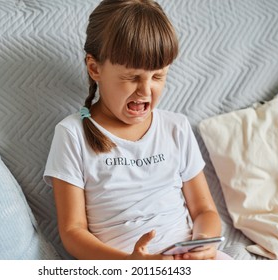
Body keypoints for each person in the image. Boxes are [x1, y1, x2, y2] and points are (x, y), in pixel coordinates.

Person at [44, 0, 232, 260]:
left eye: (157, 77)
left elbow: (204, 211)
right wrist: (129, 265)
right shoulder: (72, 134)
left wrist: (202, 243)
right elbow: (73, 232)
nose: (145, 91)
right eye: (132, 77)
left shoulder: (176, 127)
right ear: (95, 68)